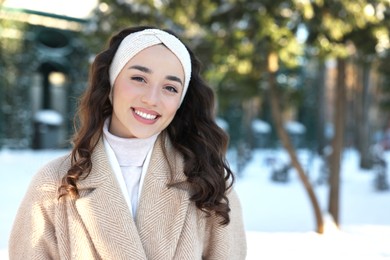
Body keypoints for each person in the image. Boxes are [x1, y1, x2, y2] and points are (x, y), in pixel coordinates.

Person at [9, 26, 247, 259]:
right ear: (111, 84)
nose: (151, 98)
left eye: (170, 87)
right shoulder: (54, 183)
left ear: (181, 101)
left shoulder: (209, 183)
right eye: (139, 78)